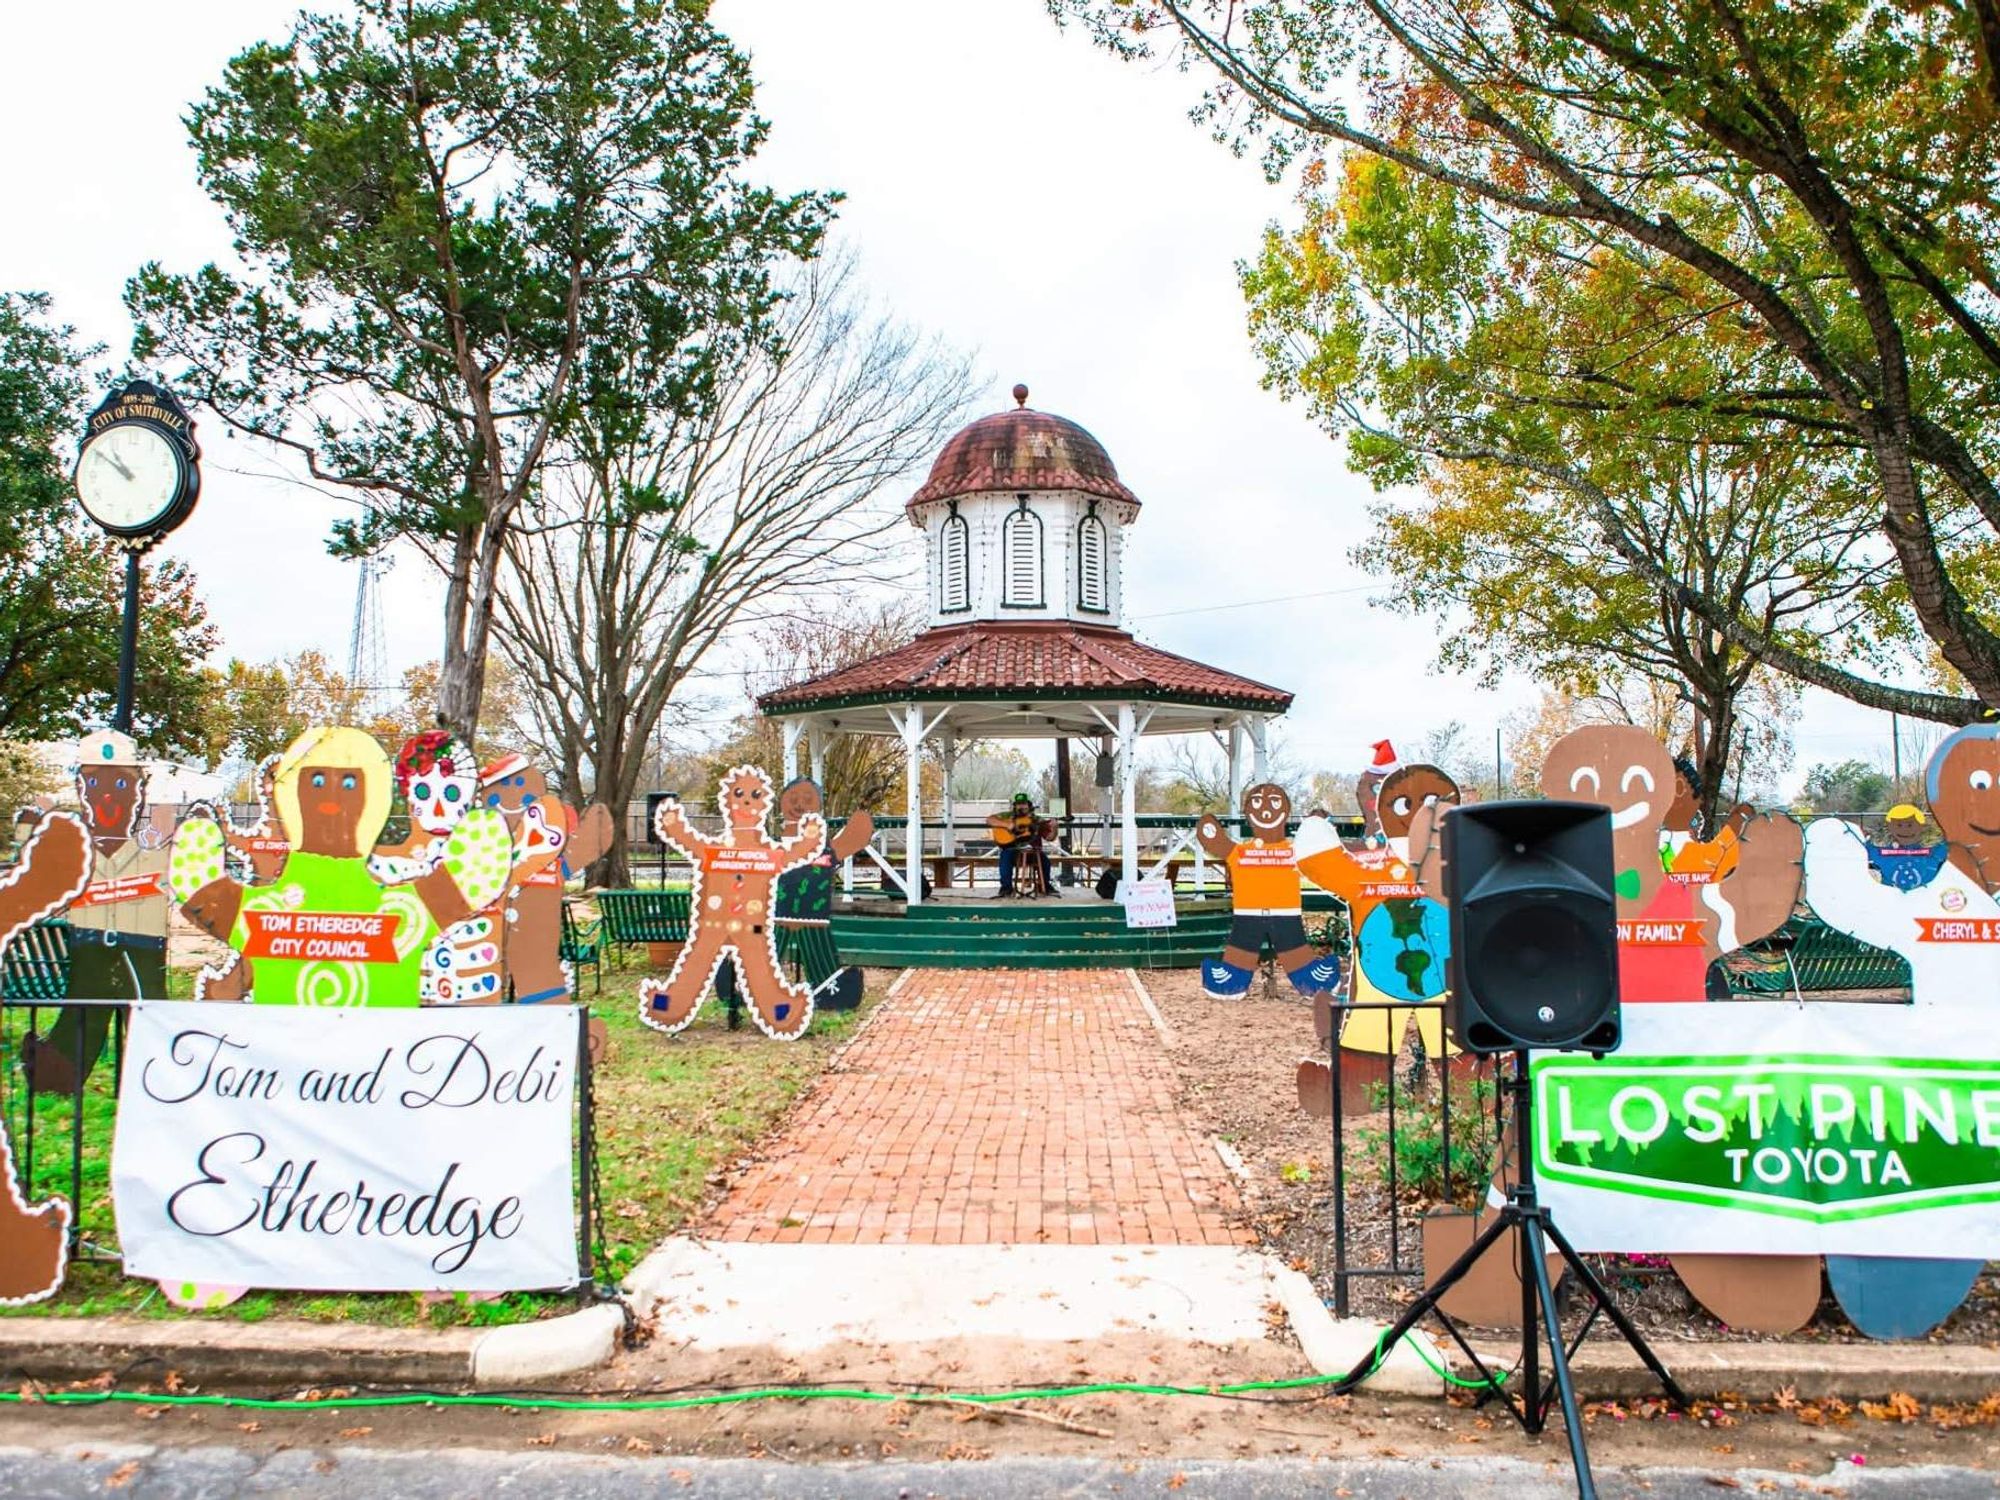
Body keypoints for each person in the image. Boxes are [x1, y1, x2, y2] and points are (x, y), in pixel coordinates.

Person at [994, 792, 1054, 898]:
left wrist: (1055, 828)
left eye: (1023, 804)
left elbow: (1050, 838)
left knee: (1045, 861)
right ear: (1015, 806)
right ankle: (1006, 888)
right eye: (1019, 804)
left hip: (1033, 854)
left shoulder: (1037, 820)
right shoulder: (1008, 819)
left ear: (1028, 805)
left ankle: (1044, 886)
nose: (1021, 806)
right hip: (1013, 853)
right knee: (1005, 856)